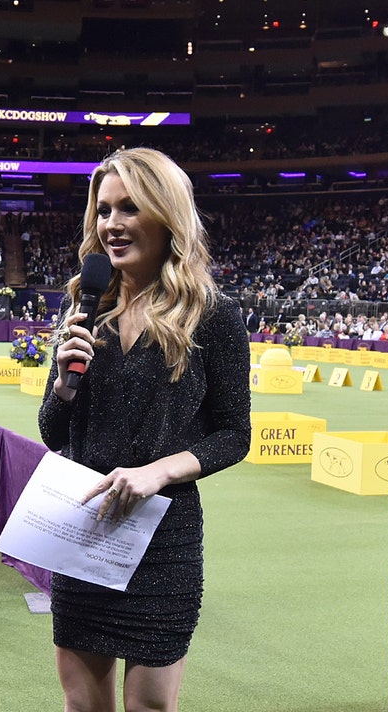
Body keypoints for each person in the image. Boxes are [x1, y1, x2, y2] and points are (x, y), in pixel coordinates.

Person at [37, 147, 250, 711]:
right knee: (83, 705)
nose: (111, 224)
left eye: (129, 208)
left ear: (166, 214)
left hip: (163, 541)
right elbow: (51, 431)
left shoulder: (214, 315)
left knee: (150, 707)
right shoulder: (86, 304)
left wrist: (158, 472)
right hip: (84, 530)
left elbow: (234, 434)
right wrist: (63, 382)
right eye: (103, 210)